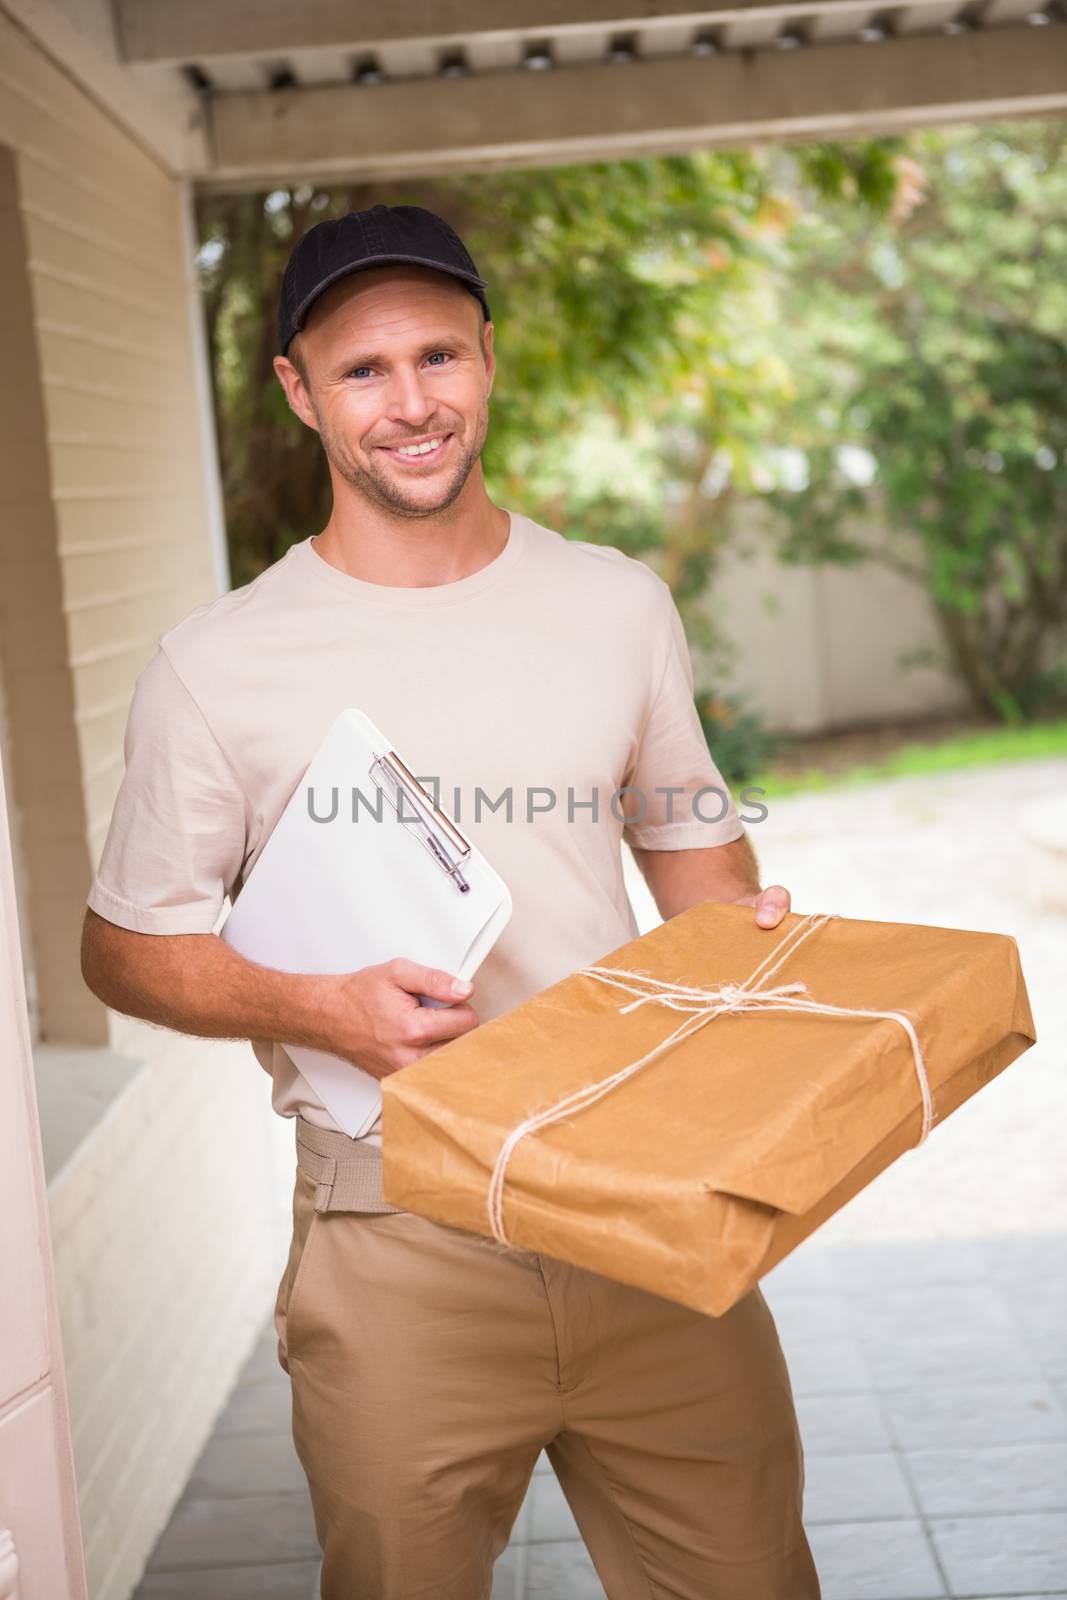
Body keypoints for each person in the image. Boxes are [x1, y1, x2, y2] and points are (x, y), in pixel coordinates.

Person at [80, 204, 819, 1599]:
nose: (411, 404)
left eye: (438, 356)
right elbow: (123, 946)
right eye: (363, 371)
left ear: (487, 359)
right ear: (299, 391)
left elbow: (688, 849)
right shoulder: (216, 665)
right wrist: (314, 1007)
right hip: (396, 1237)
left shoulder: (614, 605)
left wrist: (741, 953)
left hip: (641, 1210)